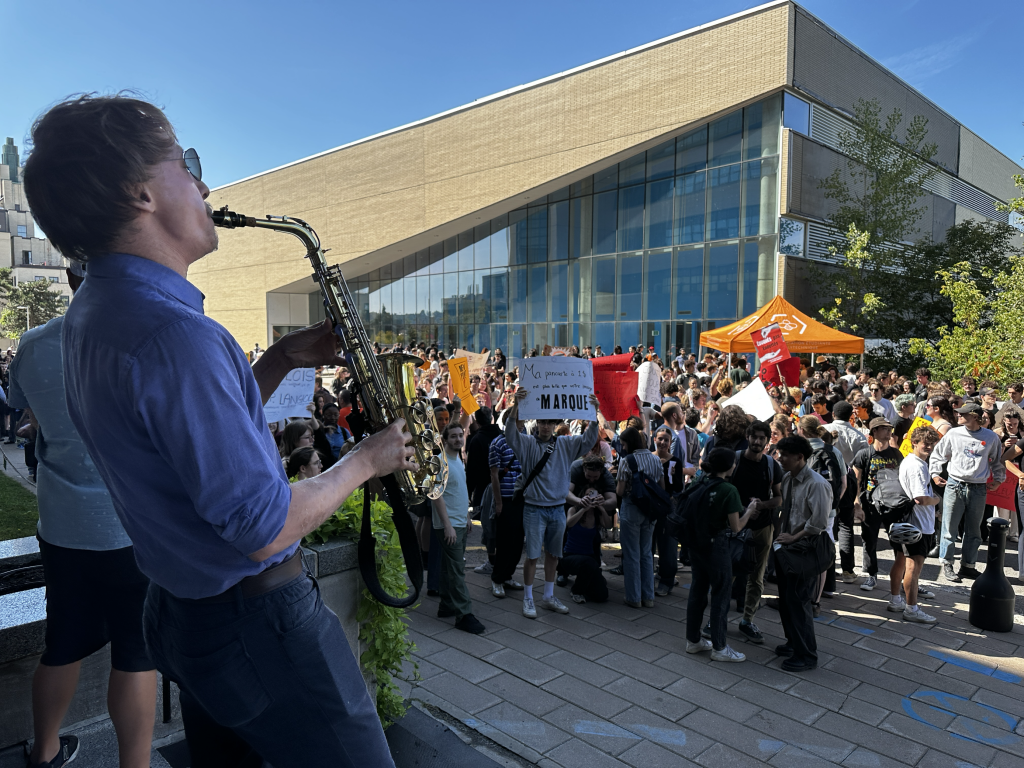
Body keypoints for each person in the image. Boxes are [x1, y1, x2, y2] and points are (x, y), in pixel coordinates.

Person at [29, 94, 415, 767]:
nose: (205, 187)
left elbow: (181, 437)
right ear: (140, 193)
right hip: (258, 626)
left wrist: (280, 358)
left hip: (186, 613)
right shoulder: (176, 335)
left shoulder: (97, 310)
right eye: (185, 165)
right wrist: (365, 460)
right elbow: (263, 527)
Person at [7, 261, 156, 768]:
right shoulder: (147, 337)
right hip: (131, 527)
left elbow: (28, 412)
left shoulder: (32, 344)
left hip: (62, 524)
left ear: (71, 276)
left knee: (63, 641)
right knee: (136, 651)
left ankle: (45, 752)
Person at [503, 387, 600, 618]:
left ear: (555, 424)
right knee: (532, 556)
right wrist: (516, 406)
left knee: (554, 555)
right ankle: (528, 598)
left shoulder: (565, 445)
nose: (545, 426)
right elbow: (510, 434)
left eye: (549, 422)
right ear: (536, 423)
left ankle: (548, 596)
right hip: (534, 509)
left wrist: (594, 414)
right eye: (542, 422)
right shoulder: (527, 443)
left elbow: (588, 440)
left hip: (557, 509)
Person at [684, 447, 759, 663]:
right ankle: (719, 646)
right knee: (721, 594)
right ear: (729, 466)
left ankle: (693, 640)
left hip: (696, 543)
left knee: (697, 590)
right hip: (717, 545)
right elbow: (736, 527)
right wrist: (750, 510)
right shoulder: (728, 489)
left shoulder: (699, 482)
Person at [774, 435, 832, 672]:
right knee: (786, 600)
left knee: (799, 602)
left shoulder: (817, 484)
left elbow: (818, 523)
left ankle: (807, 655)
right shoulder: (788, 478)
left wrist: (793, 537)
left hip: (805, 548)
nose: (780, 459)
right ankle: (793, 643)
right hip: (786, 546)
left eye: (785, 455)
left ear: (800, 457)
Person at [929, 402, 1005, 583]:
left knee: (974, 530)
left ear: (975, 417)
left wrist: (998, 479)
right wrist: (935, 474)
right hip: (955, 484)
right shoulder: (954, 434)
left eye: (963, 414)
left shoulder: (990, 437)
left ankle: (968, 566)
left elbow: (997, 460)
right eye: (959, 413)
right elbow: (938, 454)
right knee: (949, 528)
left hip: (978, 488)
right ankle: (947, 563)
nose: (959, 416)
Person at [729, 421, 783, 643]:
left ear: (767, 441)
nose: (758, 441)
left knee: (757, 577)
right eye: (754, 437)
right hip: (735, 527)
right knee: (728, 574)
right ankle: (716, 619)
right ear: (748, 437)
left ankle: (747, 620)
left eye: (762, 438)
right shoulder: (735, 460)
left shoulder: (771, 465)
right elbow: (724, 489)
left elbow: (779, 498)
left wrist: (761, 505)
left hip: (762, 527)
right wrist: (742, 510)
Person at [430, 423, 485, 634]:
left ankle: (447, 605)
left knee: (449, 566)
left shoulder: (458, 460)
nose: (458, 439)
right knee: (456, 569)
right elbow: (436, 495)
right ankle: (464, 614)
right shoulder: (440, 462)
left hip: (460, 522)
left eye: (460, 435)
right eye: (453, 436)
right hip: (450, 525)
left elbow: (458, 492)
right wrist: (447, 526)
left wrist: (467, 516)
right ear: (444, 440)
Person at [891, 426, 941, 623]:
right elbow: (920, 498)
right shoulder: (917, 466)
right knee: (913, 567)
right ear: (914, 443)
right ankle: (911, 609)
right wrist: (936, 500)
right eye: (925, 443)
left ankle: (896, 600)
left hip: (907, 522)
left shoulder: (911, 461)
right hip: (918, 524)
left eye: (932, 443)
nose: (929, 447)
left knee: (900, 561)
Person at [615, 427, 664, 609]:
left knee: (631, 554)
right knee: (646, 553)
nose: (622, 447)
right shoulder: (655, 459)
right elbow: (661, 487)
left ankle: (634, 597)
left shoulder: (627, 461)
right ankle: (648, 596)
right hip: (650, 510)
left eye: (623, 444)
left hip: (631, 508)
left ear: (629, 443)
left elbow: (620, 491)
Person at [851, 418, 902, 591]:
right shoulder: (864, 454)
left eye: (890, 429)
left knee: (898, 541)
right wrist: (857, 503)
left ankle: (903, 577)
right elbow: (856, 480)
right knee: (869, 540)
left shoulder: (896, 454)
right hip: (870, 504)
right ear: (874, 431)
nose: (889, 432)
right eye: (884, 429)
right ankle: (871, 575)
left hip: (893, 504)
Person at [557, 456, 612, 604]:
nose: (590, 498)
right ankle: (576, 591)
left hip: (588, 559)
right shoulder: (574, 509)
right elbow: (569, 524)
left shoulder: (597, 514)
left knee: (602, 594)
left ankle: (585, 585)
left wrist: (601, 507)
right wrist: (583, 508)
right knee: (590, 563)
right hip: (571, 557)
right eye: (588, 495)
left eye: (593, 495)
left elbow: (608, 525)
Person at [487, 427, 526, 598]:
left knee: (518, 542)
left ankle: (507, 575)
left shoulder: (525, 439)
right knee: (504, 542)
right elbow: (494, 475)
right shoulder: (497, 443)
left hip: (522, 498)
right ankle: (497, 579)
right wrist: (498, 502)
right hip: (506, 498)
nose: (520, 424)